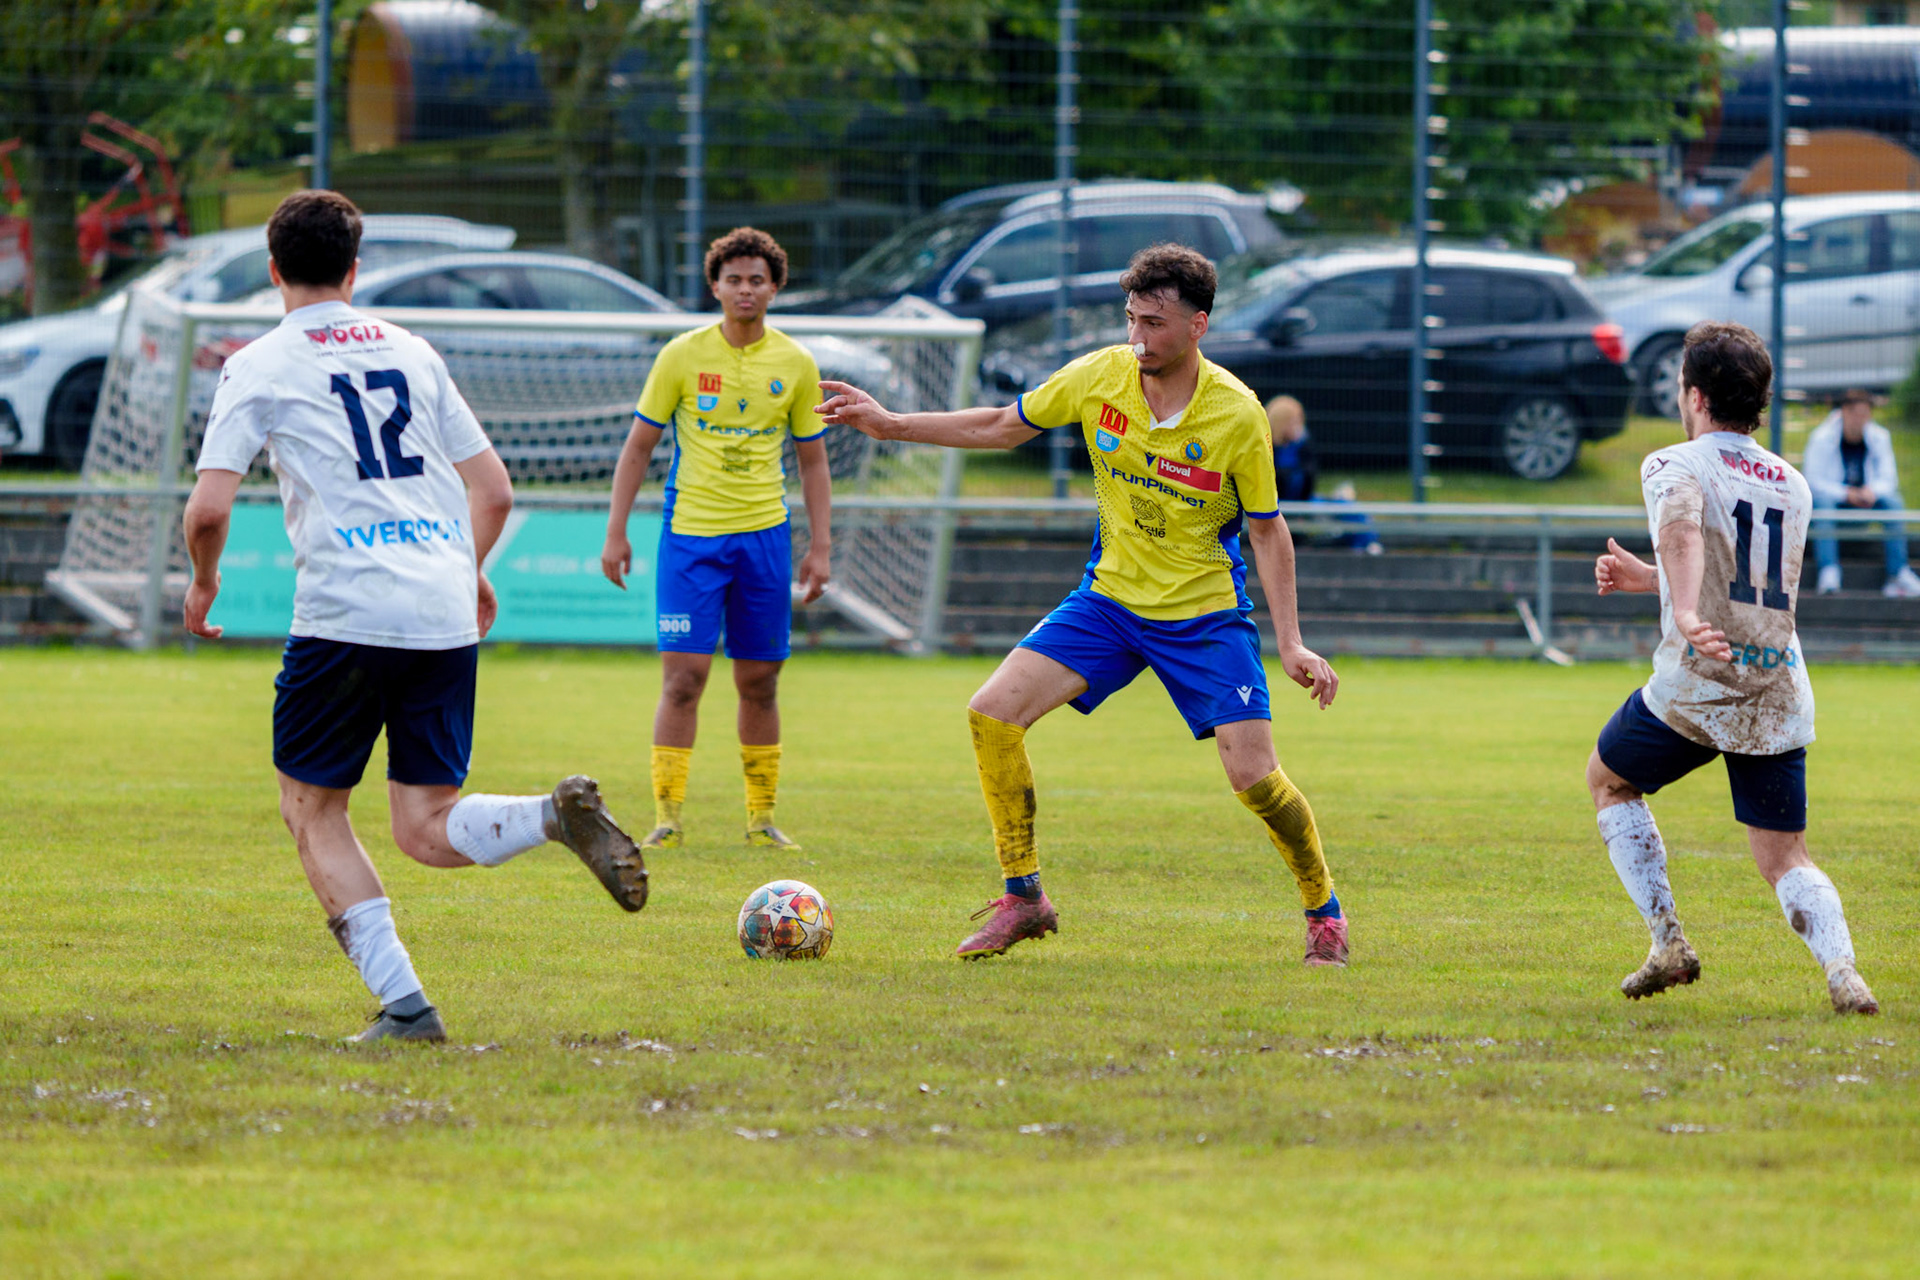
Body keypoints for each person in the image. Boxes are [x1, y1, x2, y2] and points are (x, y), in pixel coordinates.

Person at [182, 190, 648, 1044]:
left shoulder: (258, 361)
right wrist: (465, 570)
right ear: (355, 270)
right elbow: (495, 489)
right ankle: (550, 816)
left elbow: (210, 510)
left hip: (346, 613)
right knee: (427, 827)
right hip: (439, 608)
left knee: (312, 810)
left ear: (276, 269)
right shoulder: (412, 350)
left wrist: (204, 582)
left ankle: (406, 1008)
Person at [819, 243, 1349, 965]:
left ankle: (1324, 911)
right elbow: (1004, 426)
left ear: (1198, 325)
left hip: (1203, 615)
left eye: (1155, 324)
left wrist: (1290, 643)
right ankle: (1024, 898)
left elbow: (1267, 529)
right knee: (991, 713)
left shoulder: (1237, 414)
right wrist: (892, 424)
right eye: (1132, 319)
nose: (1138, 338)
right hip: (1108, 602)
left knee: (1253, 778)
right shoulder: (1102, 375)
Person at [1588, 320, 1877, 1016]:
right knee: (1786, 858)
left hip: (1697, 682)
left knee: (1610, 780)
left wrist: (1683, 612)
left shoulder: (1672, 464)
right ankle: (1844, 972)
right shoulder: (1794, 483)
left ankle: (1668, 942)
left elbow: (1685, 530)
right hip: (1775, 686)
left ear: (1693, 396)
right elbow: (1740, 572)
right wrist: (1651, 582)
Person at [601, 227, 832, 852]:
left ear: (775, 287)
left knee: (760, 680)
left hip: (763, 538)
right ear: (715, 287)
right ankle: (668, 816)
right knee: (684, 679)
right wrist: (616, 531)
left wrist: (820, 546)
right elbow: (639, 448)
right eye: (734, 279)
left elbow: (812, 461)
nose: (745, 289)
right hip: (691, 539)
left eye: (757, 279)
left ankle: (761, 819)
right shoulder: (680, 355)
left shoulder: (796, 363)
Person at [1803, 388, 1920, 598]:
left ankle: (1898, 573)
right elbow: (1813, 481)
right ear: (1844, 412)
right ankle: (1829, 571)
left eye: (1865, 414)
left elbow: (1889, 478)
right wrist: (1846, 493)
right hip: (1836, 502)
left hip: (1867, 500)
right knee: (1823, 503)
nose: (1861, 420)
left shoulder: (1879, 437)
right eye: (1856, 414)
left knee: (1893, 502)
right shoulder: (1822, 438)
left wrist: (1871, 492)